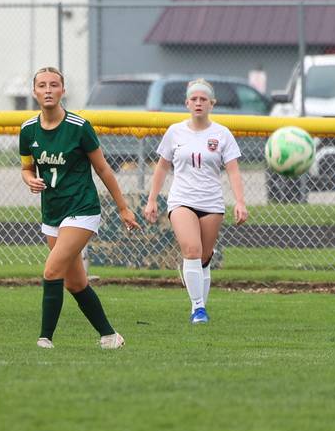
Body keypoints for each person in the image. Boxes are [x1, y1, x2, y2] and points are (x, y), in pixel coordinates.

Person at [19, 66, 140, 349]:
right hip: (52, 212)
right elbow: (26, 168)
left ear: (63, 90)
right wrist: (30, 180)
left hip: (82, 208)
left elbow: (103, 169)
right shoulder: (28, 130)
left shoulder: (78, 127)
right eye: (42, 85)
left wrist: (123, 207)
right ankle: (110, 336)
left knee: (51, 272)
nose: (48, 90)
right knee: (74, 283)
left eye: (54, 85)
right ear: (34, 91)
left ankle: (44, 339)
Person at [143, 78, 248, 324]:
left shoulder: (222, 134)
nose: (198, 103)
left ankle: (197, 304)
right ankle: (198, 308)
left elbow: (233, 170)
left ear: (212, 103)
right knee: (191, 250)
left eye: (204, 99)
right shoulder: (175, 132)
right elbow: (161, 167)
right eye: (194, 99)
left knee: (203, 257)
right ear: (187, 103)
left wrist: (240, 202)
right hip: (182, 200)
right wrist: (152, 200)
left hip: (211, 203)